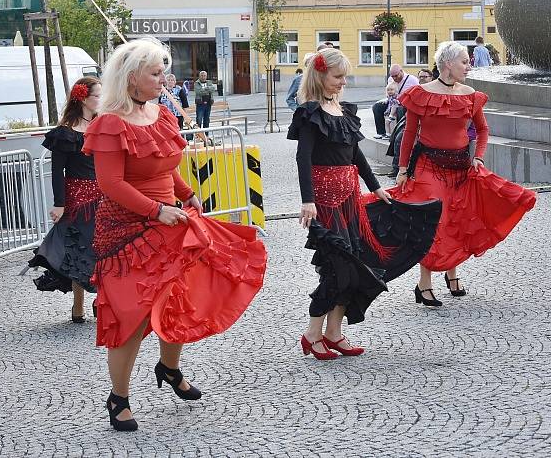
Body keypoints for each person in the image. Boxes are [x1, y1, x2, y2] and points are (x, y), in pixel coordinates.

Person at [82, 38, 266, 431]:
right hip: (128, 234)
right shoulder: (110, 123)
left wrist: (186, 195)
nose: (163, 78)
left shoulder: (160, 114)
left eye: (162, 71)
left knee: (176, 303)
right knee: (129, 318)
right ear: (131, 78)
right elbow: (110, 183)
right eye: (155, 72)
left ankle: (168, 368)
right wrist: (157, 209)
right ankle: (119, 399)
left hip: (169, 224)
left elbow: (167, 165)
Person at [288, 49, 440, 360]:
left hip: (350, 201)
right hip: (325, 202)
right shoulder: (309, 113)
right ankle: (312, 334)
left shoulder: (343, 110)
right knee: (336, 267)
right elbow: (303, 158)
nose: (343, 82)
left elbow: (356, 156)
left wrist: (376, 189)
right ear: (320, 76)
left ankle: (334, 332)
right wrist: (307, 201)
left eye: (344, 76)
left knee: (354, 263)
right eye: (337, 77)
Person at [391, 41, 536, 306]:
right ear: (448, 63)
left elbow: (482, 130)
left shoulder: (470, 93)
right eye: (464, 62)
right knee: (433, 222)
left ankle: (452, 273)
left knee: (457, 218)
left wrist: (478, 156)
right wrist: (402, 169)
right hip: (428, 166)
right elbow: (410, 133)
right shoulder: (421, 93)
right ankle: (424, 283)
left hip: (460, 167)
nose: (469, 66)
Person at [28, 77, 103, 322]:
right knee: (78, 251)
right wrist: (59, 204)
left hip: (104, 196)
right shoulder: (65, 132)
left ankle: (101, 299)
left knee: (104, 249)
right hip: (76, 200)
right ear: (82, 97)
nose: (101, 100)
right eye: (97, 96)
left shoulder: (104, 124)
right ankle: (78, 304)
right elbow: (57, 171)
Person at [386, 69, 433, 177]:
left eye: (425, 77)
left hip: (427, 125)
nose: (422, 79)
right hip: (412, 121)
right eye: (420, 77)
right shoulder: (416, 90)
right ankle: (396, 168)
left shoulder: (435, 90)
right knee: (398, 138)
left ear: (431, 78)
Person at [372, 65, 419, 139]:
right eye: (392, 76)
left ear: (401, 71)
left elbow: (417, 94)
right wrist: (387, 98)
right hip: (392, 101)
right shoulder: (390, 79)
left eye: (396, 76)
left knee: (400, 109)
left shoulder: (412, 80)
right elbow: (388, 91)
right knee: (377, 107)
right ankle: (381, 132)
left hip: (405, 103)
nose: (394, 78)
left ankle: (399, 134)